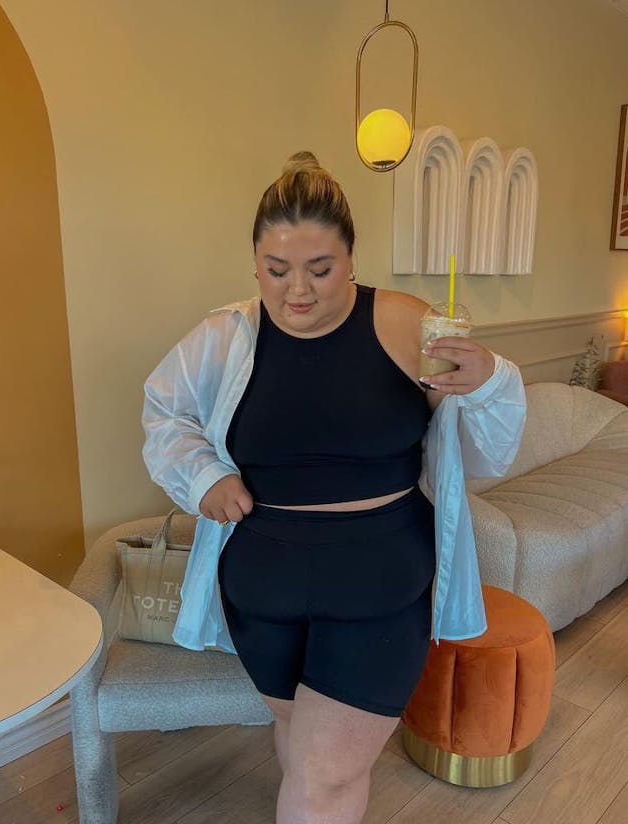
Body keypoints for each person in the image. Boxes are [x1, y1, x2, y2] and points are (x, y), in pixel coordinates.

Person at [142, 151, 526, 824]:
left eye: (320, 269)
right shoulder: (226, 335)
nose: (298, 291)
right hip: (261, 587)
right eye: (276, 269)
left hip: (377, 584)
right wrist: (205, 476)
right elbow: (164, 413)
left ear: (351, 259)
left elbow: (480, 458)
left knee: (327, 774)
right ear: (254, 263)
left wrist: (490, 381)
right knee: (300, 745)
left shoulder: (409, 324)